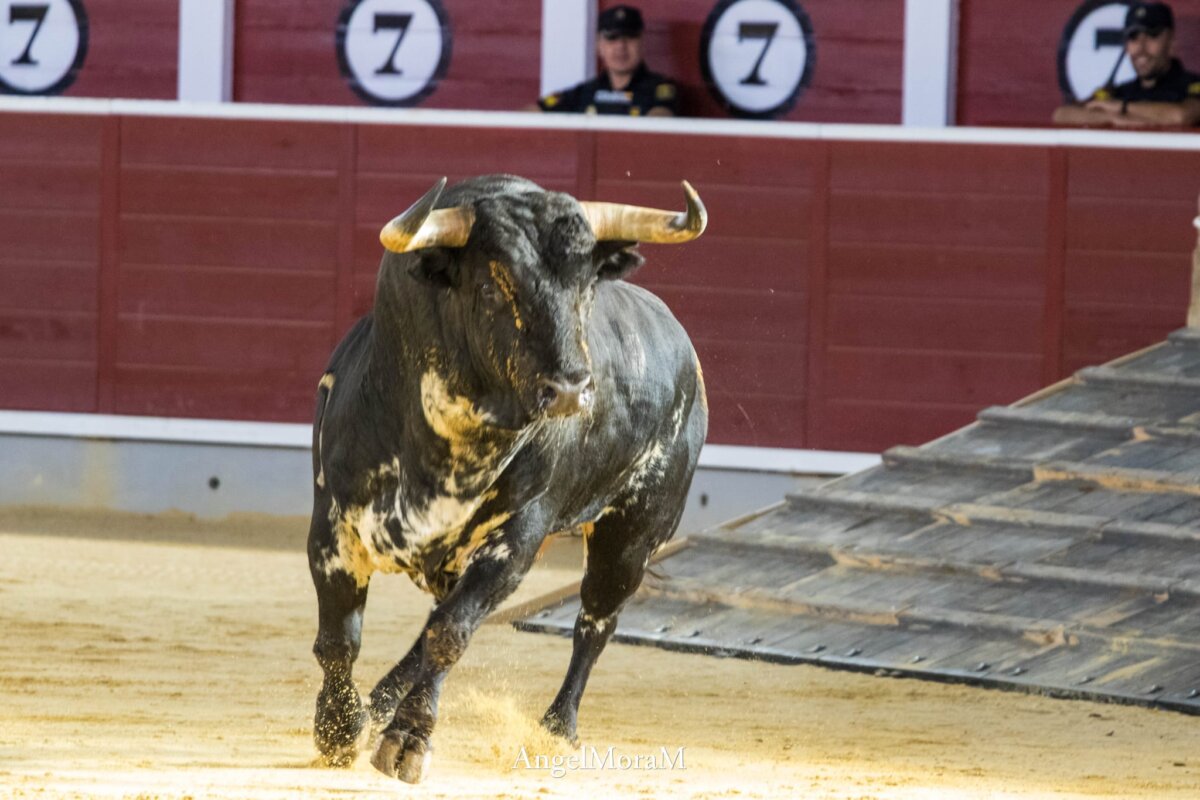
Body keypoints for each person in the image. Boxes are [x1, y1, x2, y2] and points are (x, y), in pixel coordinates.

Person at [1054, 2, 1200, 128]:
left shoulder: (1193, 85)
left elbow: (1182, 116)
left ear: (1171, 42)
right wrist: (1114, 119)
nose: (1141, 48)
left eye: (1152, 36)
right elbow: (1062, 114)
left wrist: (1121, 107)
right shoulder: (1119, 92)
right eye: (1134, 37)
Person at [536, 5, 679, 117]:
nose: (621, 46)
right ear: (599, 45)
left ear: (642, 42)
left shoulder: (660, 90)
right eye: (612, 38)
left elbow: (660, 123)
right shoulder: (584, 92)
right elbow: (529, 116)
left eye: (629, 37)